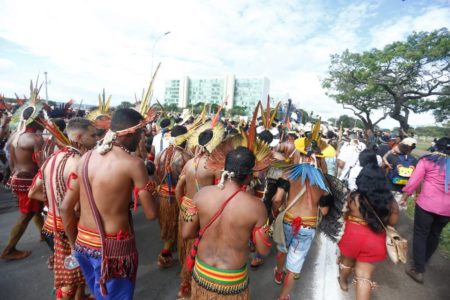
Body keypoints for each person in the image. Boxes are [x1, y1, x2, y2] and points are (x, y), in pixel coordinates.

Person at [60, 108, 159, 300]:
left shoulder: (85, 158)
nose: (141, 138)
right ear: (130, 133)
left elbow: (65, 208)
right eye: (140, 133)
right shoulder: (133, 164)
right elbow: (151, 214)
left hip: (83, 245)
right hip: (114, 251)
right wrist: (151, 179)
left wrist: (74, 247)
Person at [182, 147, 271, 299]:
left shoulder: (202, 194)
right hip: (231, 282)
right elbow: (263, 251)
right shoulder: (257, 207)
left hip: (202, 273)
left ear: (224, 168)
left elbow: (186, 233)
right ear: (249, 175)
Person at [29, 118, 98, 299]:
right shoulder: (79, 162)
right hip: (69, 228)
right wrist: (69, 208)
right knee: (70, 277)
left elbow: (33, 192)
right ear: (78, 137)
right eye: (93, 135)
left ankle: (80, 297)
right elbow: (76, 204)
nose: (97, 139)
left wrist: (53, 202)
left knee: (77, 272)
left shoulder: (52, 159)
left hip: (51, 223)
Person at [273, 121, 335, 300]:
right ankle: (284, 296)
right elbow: (323, 211)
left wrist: (276, 211)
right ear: (320, 158)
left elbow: (277, 199)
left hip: (288, 220)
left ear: (300, 153)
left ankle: (278, 271)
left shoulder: (288, 173)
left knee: (282, 250)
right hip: (307, 226)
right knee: (295, 263)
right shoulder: (324, 182)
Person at [175, 120, 224, 299]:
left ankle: (184, 284)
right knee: (199, 248)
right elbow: (219, 192)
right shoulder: (214, 166)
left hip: (186, 209)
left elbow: (177, 189)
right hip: (204, 211)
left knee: (187, 247)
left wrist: (183, 205)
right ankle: (191, 283)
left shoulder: (189, 163)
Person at [337, 163, 399, 300]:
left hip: (352, 236)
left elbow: (345, 214)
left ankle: (343, 282)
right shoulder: (390, 200)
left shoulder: (353, 197)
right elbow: (393, 222)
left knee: (346, 262)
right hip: (375, 240)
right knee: (364, 277)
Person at [400, 137, 450, 284]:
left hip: (427, 205)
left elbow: (414, 181)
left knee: (421, 234)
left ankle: (418, 270)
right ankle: (424, 260)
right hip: (447, 209)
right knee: (435, 234)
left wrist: (404, 197)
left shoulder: (428, 160)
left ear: (436, 146)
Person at [1, 105, 45, 260]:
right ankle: (8, 250)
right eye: (42, 118)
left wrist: (13, 175)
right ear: (37, 121)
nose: (44, 121)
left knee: (34, 209)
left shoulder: (15, 135)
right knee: (26, 214)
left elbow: (11, 161)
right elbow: (42, 165)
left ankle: (43, 233)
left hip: (17, 178)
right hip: (29, 180)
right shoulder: (36, 139)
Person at [154, 124, 192, 268]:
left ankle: (167, 251)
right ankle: (166, 255)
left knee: (167, 226)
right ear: (185, 139)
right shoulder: (186, 157)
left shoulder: (162, 153)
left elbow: (156, 173)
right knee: (175, 226)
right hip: (177, 197)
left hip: (162, 195)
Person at [385, 137, 418, 209]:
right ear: (413, 148)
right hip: (403, 190)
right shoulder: (415, 160)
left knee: (385, 210)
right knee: (396, 211)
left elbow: (383, 166)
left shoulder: (391, 156)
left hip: (389, 187)